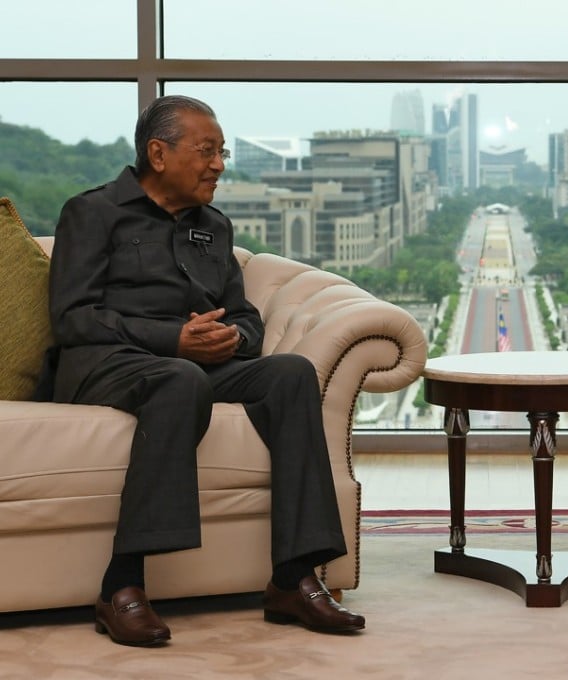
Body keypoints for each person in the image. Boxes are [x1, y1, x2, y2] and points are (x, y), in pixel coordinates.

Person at [47, 95, 365, 646]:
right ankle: (120, 583)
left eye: (222, 152)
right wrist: (174, 340)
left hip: (190, 364)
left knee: (290, 372)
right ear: (159, 153)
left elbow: (245, 316)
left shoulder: (213, 226)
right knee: (180, 377)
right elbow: (74, 319)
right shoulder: (91, 212)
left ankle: (293, 578)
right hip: (106, 364)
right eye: (207, 151)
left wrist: (233, 338)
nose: (219, 164)